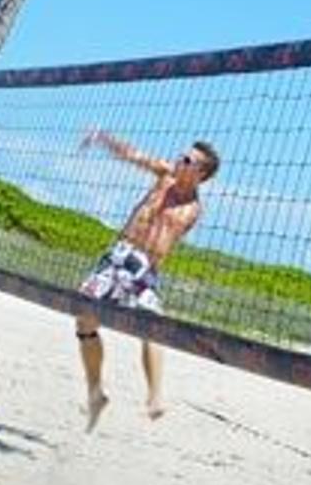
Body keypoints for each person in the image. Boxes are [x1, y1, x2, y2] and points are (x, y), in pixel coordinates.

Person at [76, 129, 220, 430]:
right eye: (181, 156)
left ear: (201, 173)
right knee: (84, 320)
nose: (179, 160)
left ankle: (155, 398)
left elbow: (165, 237)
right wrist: (102, 138)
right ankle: (95, 393)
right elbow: (132, 155)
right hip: (119, 253)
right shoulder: (164, 175)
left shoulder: (193, 209)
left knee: (152, 325)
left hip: (144, 267)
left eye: (187, 160)